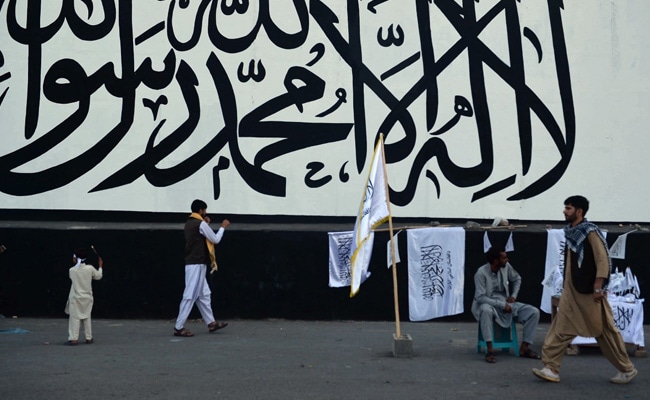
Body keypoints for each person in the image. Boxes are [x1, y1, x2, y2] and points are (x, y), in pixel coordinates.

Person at [532, 195, 637, 384]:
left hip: (589, 292)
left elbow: (603, 260)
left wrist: (598, 287)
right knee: (560, 328)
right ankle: (551, 368)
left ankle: (626, 369)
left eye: (569, 208)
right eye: (565, 208)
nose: (565, 211)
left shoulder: (590, 232)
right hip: (572, 292)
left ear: (579, 212)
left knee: (604, 331)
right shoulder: (571, 232)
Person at [472, 246, 541, 363]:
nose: (507, 260)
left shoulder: (506, 267)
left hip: (506, 303)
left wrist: (513, 296)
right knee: (486, 310)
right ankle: (490, 351)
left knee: (533, 312)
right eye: (504, 258)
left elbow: (517, 278)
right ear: (495, 261)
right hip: (488, 304)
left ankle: (524, 348)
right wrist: (501, 305)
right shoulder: (481, 273)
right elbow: (480, 298)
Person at [174, 199, 230, 337]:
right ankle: (179, 326)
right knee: (190, 295)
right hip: (197, 264)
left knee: (204, 294)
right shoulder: (200, 224)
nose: (205, 212)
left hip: (191, 263)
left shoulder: (189, 223)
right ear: (200, 210)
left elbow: (199, 236)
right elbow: (215, 239)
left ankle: (211, 323)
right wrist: (223, 227)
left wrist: (205, 224)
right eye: (204, 210)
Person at [64, 248, 103, 345]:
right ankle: (89, 338)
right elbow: (98, 276)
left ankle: (73, 338)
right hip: (87, 297)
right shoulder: (90, 269)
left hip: (76, 298)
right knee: (86, 317)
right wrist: (100, 266)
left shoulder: (72, 270)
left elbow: (75, 275)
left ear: (76, 258)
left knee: (74, 318)